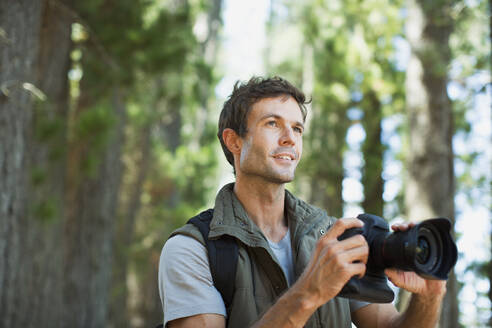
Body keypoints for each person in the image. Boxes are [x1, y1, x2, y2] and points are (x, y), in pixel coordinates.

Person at [158, 76, 447, 328]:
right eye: (273, 123)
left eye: (297, 128)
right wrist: (309, 292)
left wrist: (429, 296)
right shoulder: (192, 250)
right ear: (234, 141)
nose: (289, 139)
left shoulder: (337, 237)